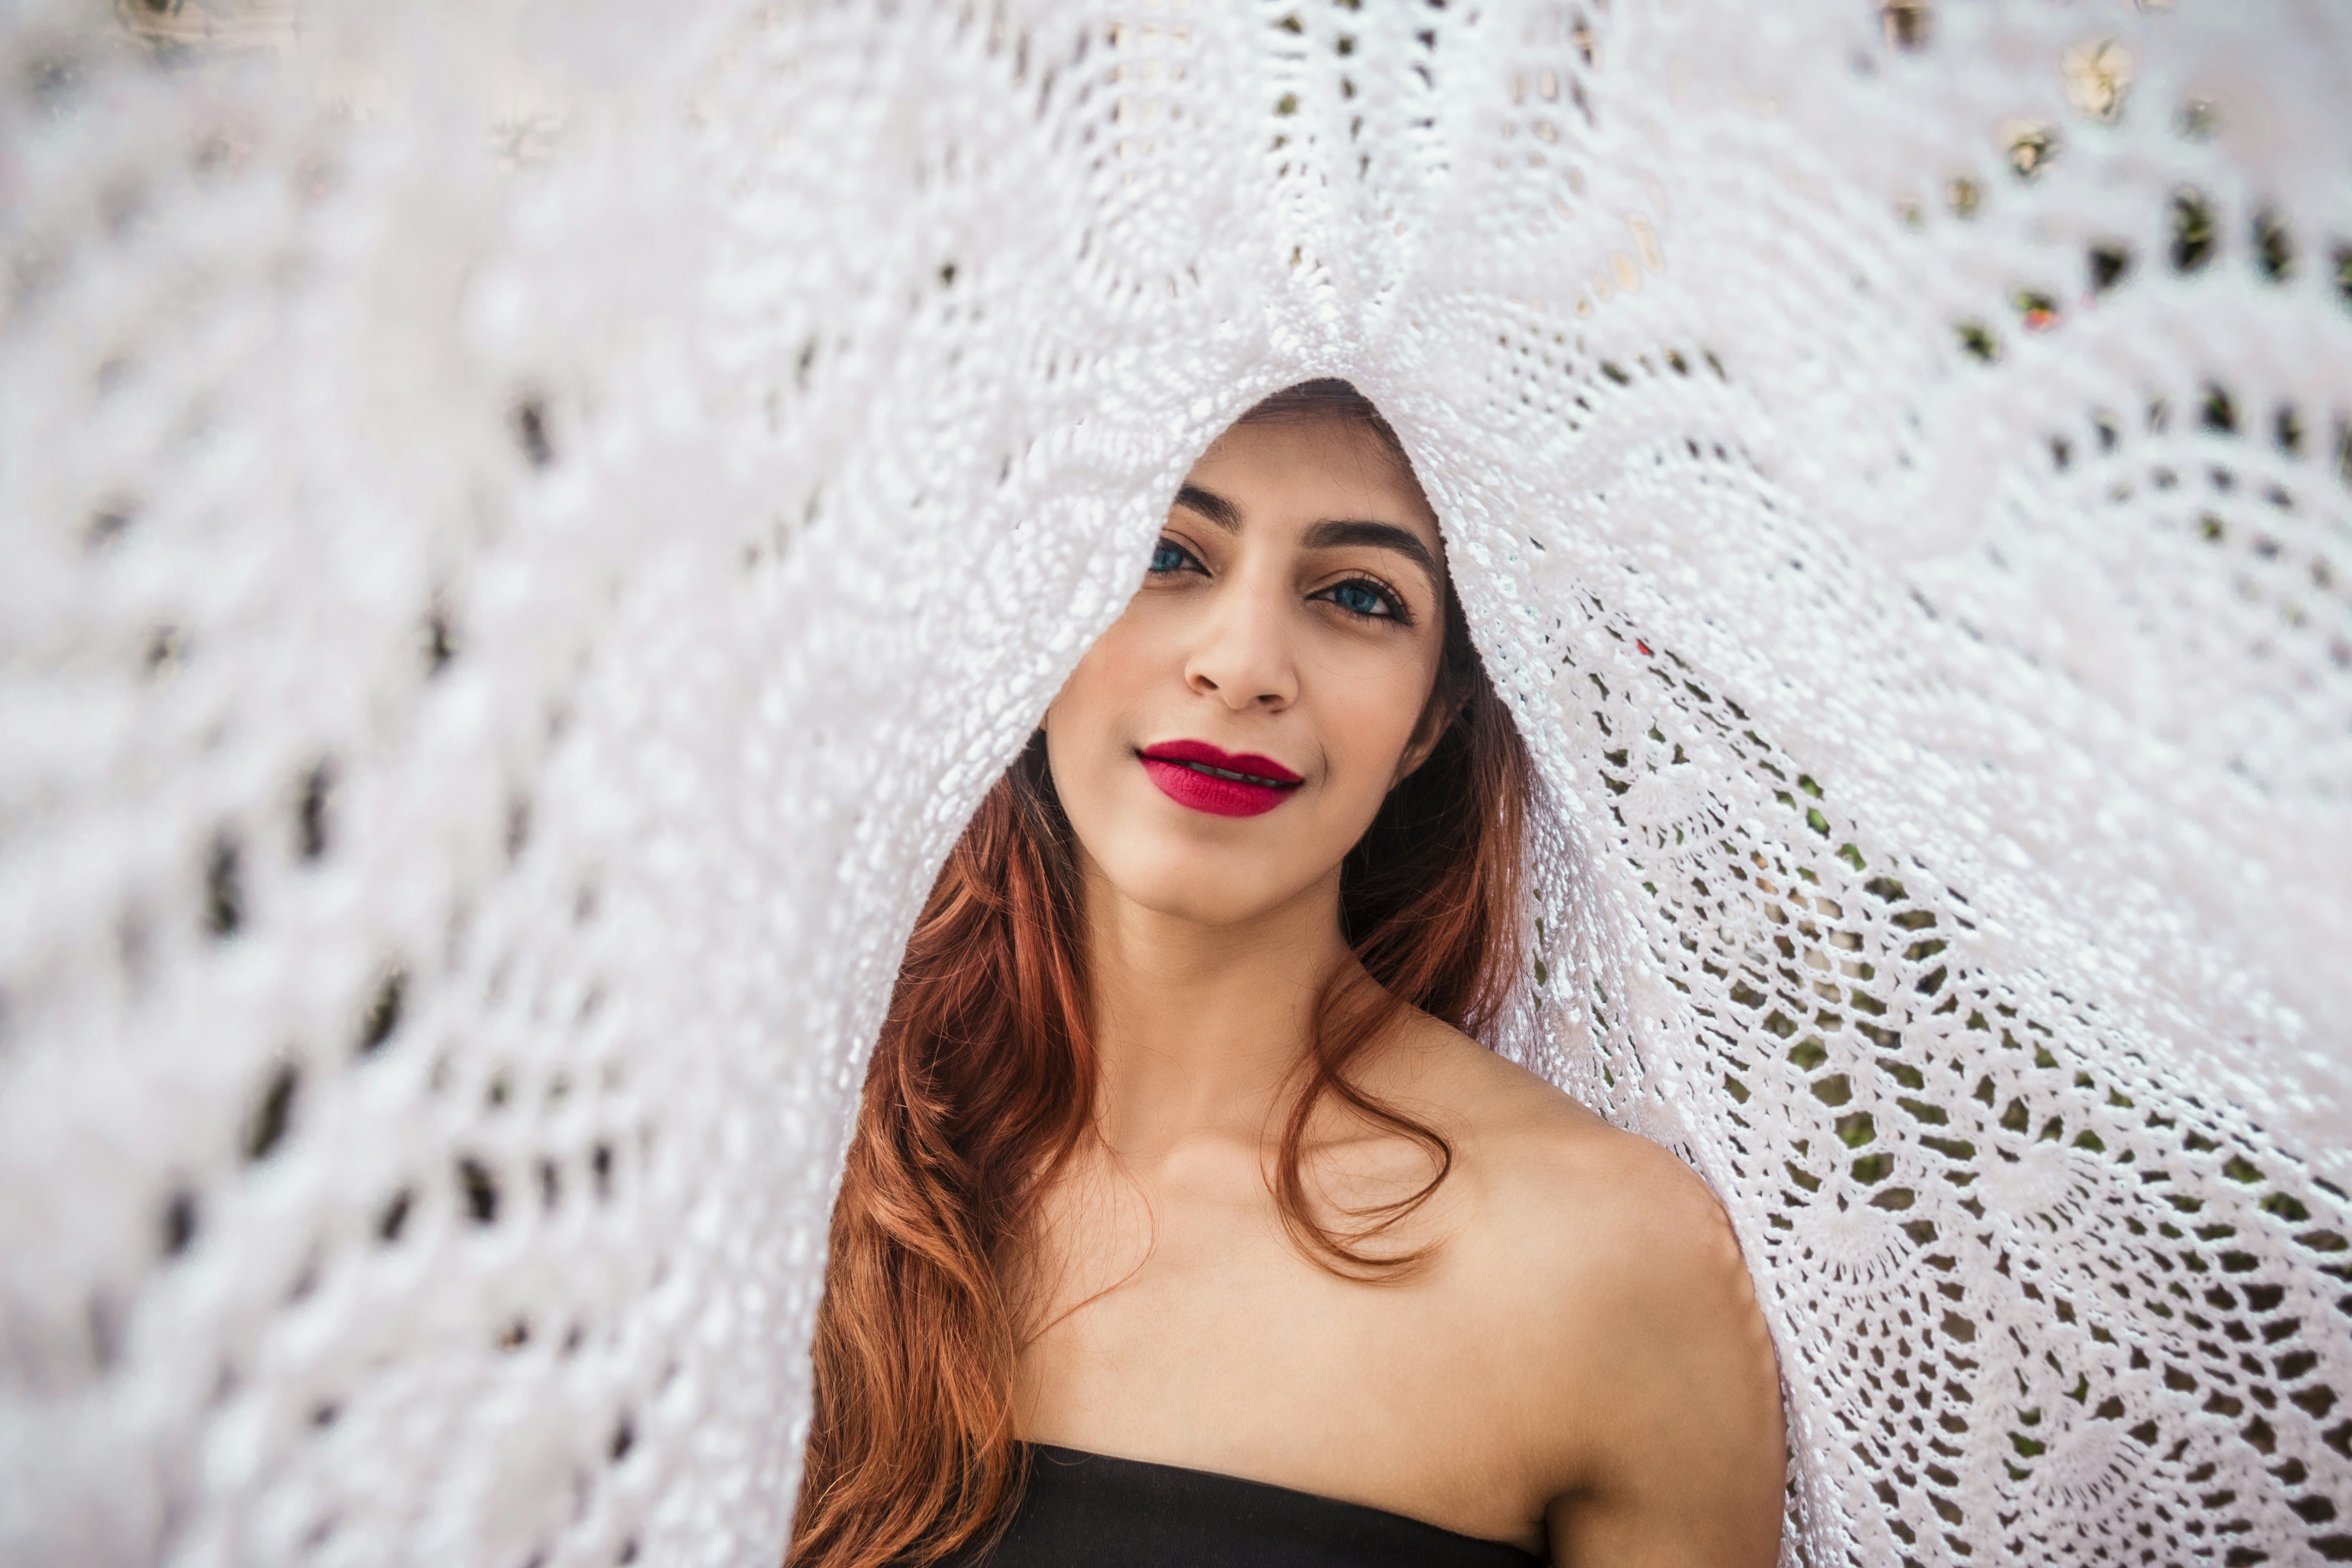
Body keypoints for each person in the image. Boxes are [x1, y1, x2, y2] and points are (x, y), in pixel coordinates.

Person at [791, 382, 1786, 1568]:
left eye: (1358, 596)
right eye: (1166, 552)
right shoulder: (794, 1158)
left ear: (1429, 719)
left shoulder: (1611, 1263)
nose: (1245, 664)